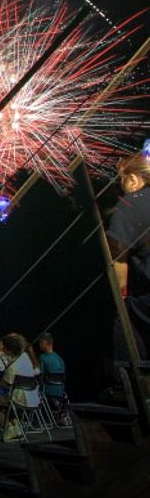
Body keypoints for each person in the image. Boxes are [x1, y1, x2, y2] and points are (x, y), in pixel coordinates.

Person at [107, 151, 150, 359]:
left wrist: (122, 296)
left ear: (133, 178)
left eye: (122, 180)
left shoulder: (130, 205)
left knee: (124, 320)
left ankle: (136, 383)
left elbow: (119, 257)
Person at [0, 333, 40, 441]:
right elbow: (37, 371)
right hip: (34, 397)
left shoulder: (12, 366)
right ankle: (14, 423)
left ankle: (8, 427)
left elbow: (5, 384)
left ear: (9, 350)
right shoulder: (26, 358)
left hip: (20, 400)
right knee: (3, 399)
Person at [35, 332, 68, 426]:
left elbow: (39, 375)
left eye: (41, 343)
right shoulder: (59, 358)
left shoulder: (42, 357)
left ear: (47, 343)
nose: (39, 345)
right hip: (61, 392)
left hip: (48, 391)